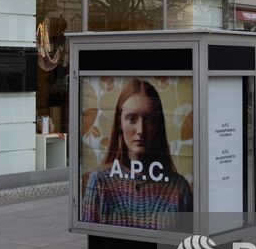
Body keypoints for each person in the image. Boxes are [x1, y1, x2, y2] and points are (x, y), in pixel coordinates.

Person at [80, 79, 192, 230]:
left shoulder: (178, 189)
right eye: (132, 119)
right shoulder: (100, 183)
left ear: (158, 124)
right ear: (120, 122)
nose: (140, 130)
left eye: (149, 119)